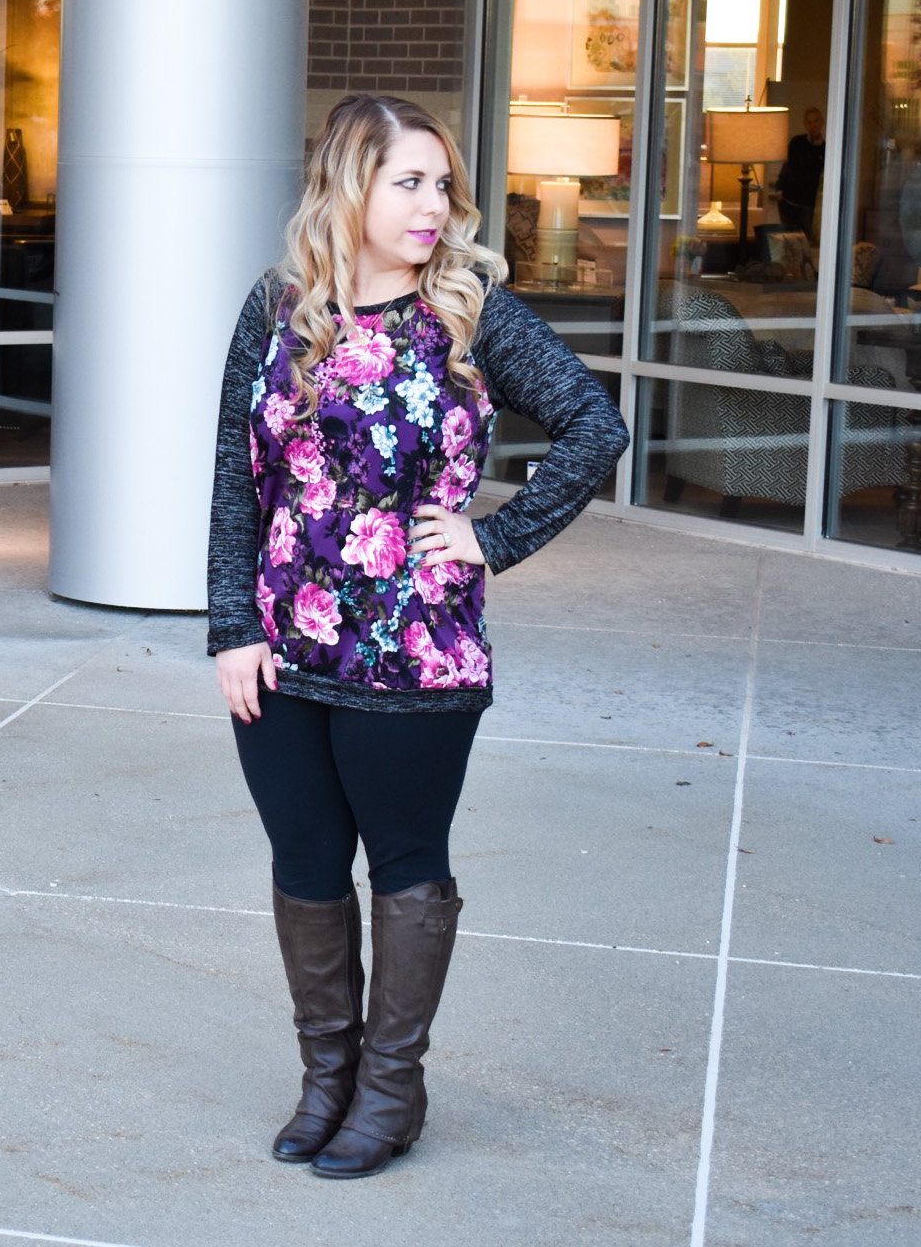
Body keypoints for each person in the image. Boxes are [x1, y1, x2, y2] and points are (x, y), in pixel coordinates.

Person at [206, 95, 628, 1179]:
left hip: (418, 650)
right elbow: (233, 480)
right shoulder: (278, 306)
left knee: (403, 864)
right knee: (304, 860)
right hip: (284, 647)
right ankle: (325, 1082)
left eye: (443, 183)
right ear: (351, 186)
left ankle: (390, 1093)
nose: (435, 204)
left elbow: (595, 424)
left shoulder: (471, 308)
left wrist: (495, 538)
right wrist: (230, 624)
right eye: (410, 182)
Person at [773, 106, 825, 234]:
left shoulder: (825, 149)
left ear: (821, 122)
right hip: (788, 199)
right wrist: (779, 188)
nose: (813, 125)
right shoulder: (797, 143)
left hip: (808, 203)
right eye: (809, 122)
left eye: (816, 121)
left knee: (804, 238)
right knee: (788, 238)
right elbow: (788, 165)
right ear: (806, 125)